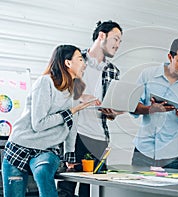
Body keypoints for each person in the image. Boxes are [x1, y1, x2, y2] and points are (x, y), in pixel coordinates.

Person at [1, 44, 94, 197]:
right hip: (19, 147)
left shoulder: (74, 91)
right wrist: (69, 113)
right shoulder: (45, 82)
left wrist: (70, 157)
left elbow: (72, 127)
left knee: (43, 173)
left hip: (46, 150)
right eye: (80, 59)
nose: (84, 64)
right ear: (68, 63)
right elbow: (38, 124)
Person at [57, 20, 123, 197]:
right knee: (66, 189)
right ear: (102, 36)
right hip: (74, 135)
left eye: (120, 42)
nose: (117, 45)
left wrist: (114, 112)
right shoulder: (74, 60)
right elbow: (59, 95)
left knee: (94, 191)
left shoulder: (113, 71)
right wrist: (78, 98)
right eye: (115, 39)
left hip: (99, 138)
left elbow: (110, 110)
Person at [131, 38, 178, 170]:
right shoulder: (148, 75)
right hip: (144, 150)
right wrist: (150, 109)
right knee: (138, 189)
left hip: (173, 155)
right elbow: (133, 107)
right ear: (170, 57)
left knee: (170, 190)